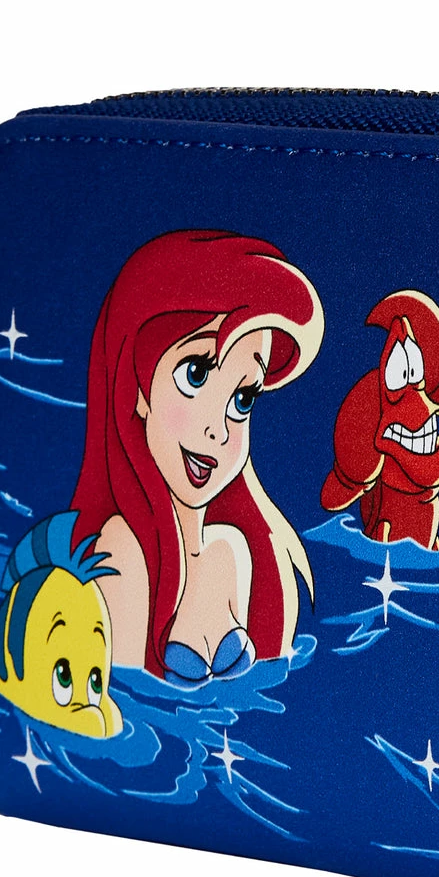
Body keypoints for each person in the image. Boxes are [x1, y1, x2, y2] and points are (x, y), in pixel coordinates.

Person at [71, 230, 324, 682]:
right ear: (138, 386)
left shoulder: (229, 553)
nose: (218, 430)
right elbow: (122, 706)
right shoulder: (122, 554)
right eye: (195, 374)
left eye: (243, 399)